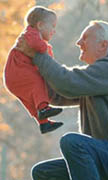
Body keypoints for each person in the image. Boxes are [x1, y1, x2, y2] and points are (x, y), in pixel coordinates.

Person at [16, 20, 108, 180]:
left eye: (85, 38)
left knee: (72, 142)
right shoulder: (98, 77)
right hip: (103, 160)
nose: (78, 43)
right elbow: (58, 93)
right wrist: (27, 80)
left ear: (103, 45)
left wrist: (37, 54)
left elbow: (67, 83)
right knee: (43, 173)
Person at [3, 6, 63, 134]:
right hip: (18, 72)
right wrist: (46, 48)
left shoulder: (33, 35)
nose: (54, 31)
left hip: (13, 78)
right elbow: (39, 47)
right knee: (38, 83)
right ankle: (44, 109)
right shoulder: (31, 33)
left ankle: (44, 123)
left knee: (32, 100)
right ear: (40, 25)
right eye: (52, 26)